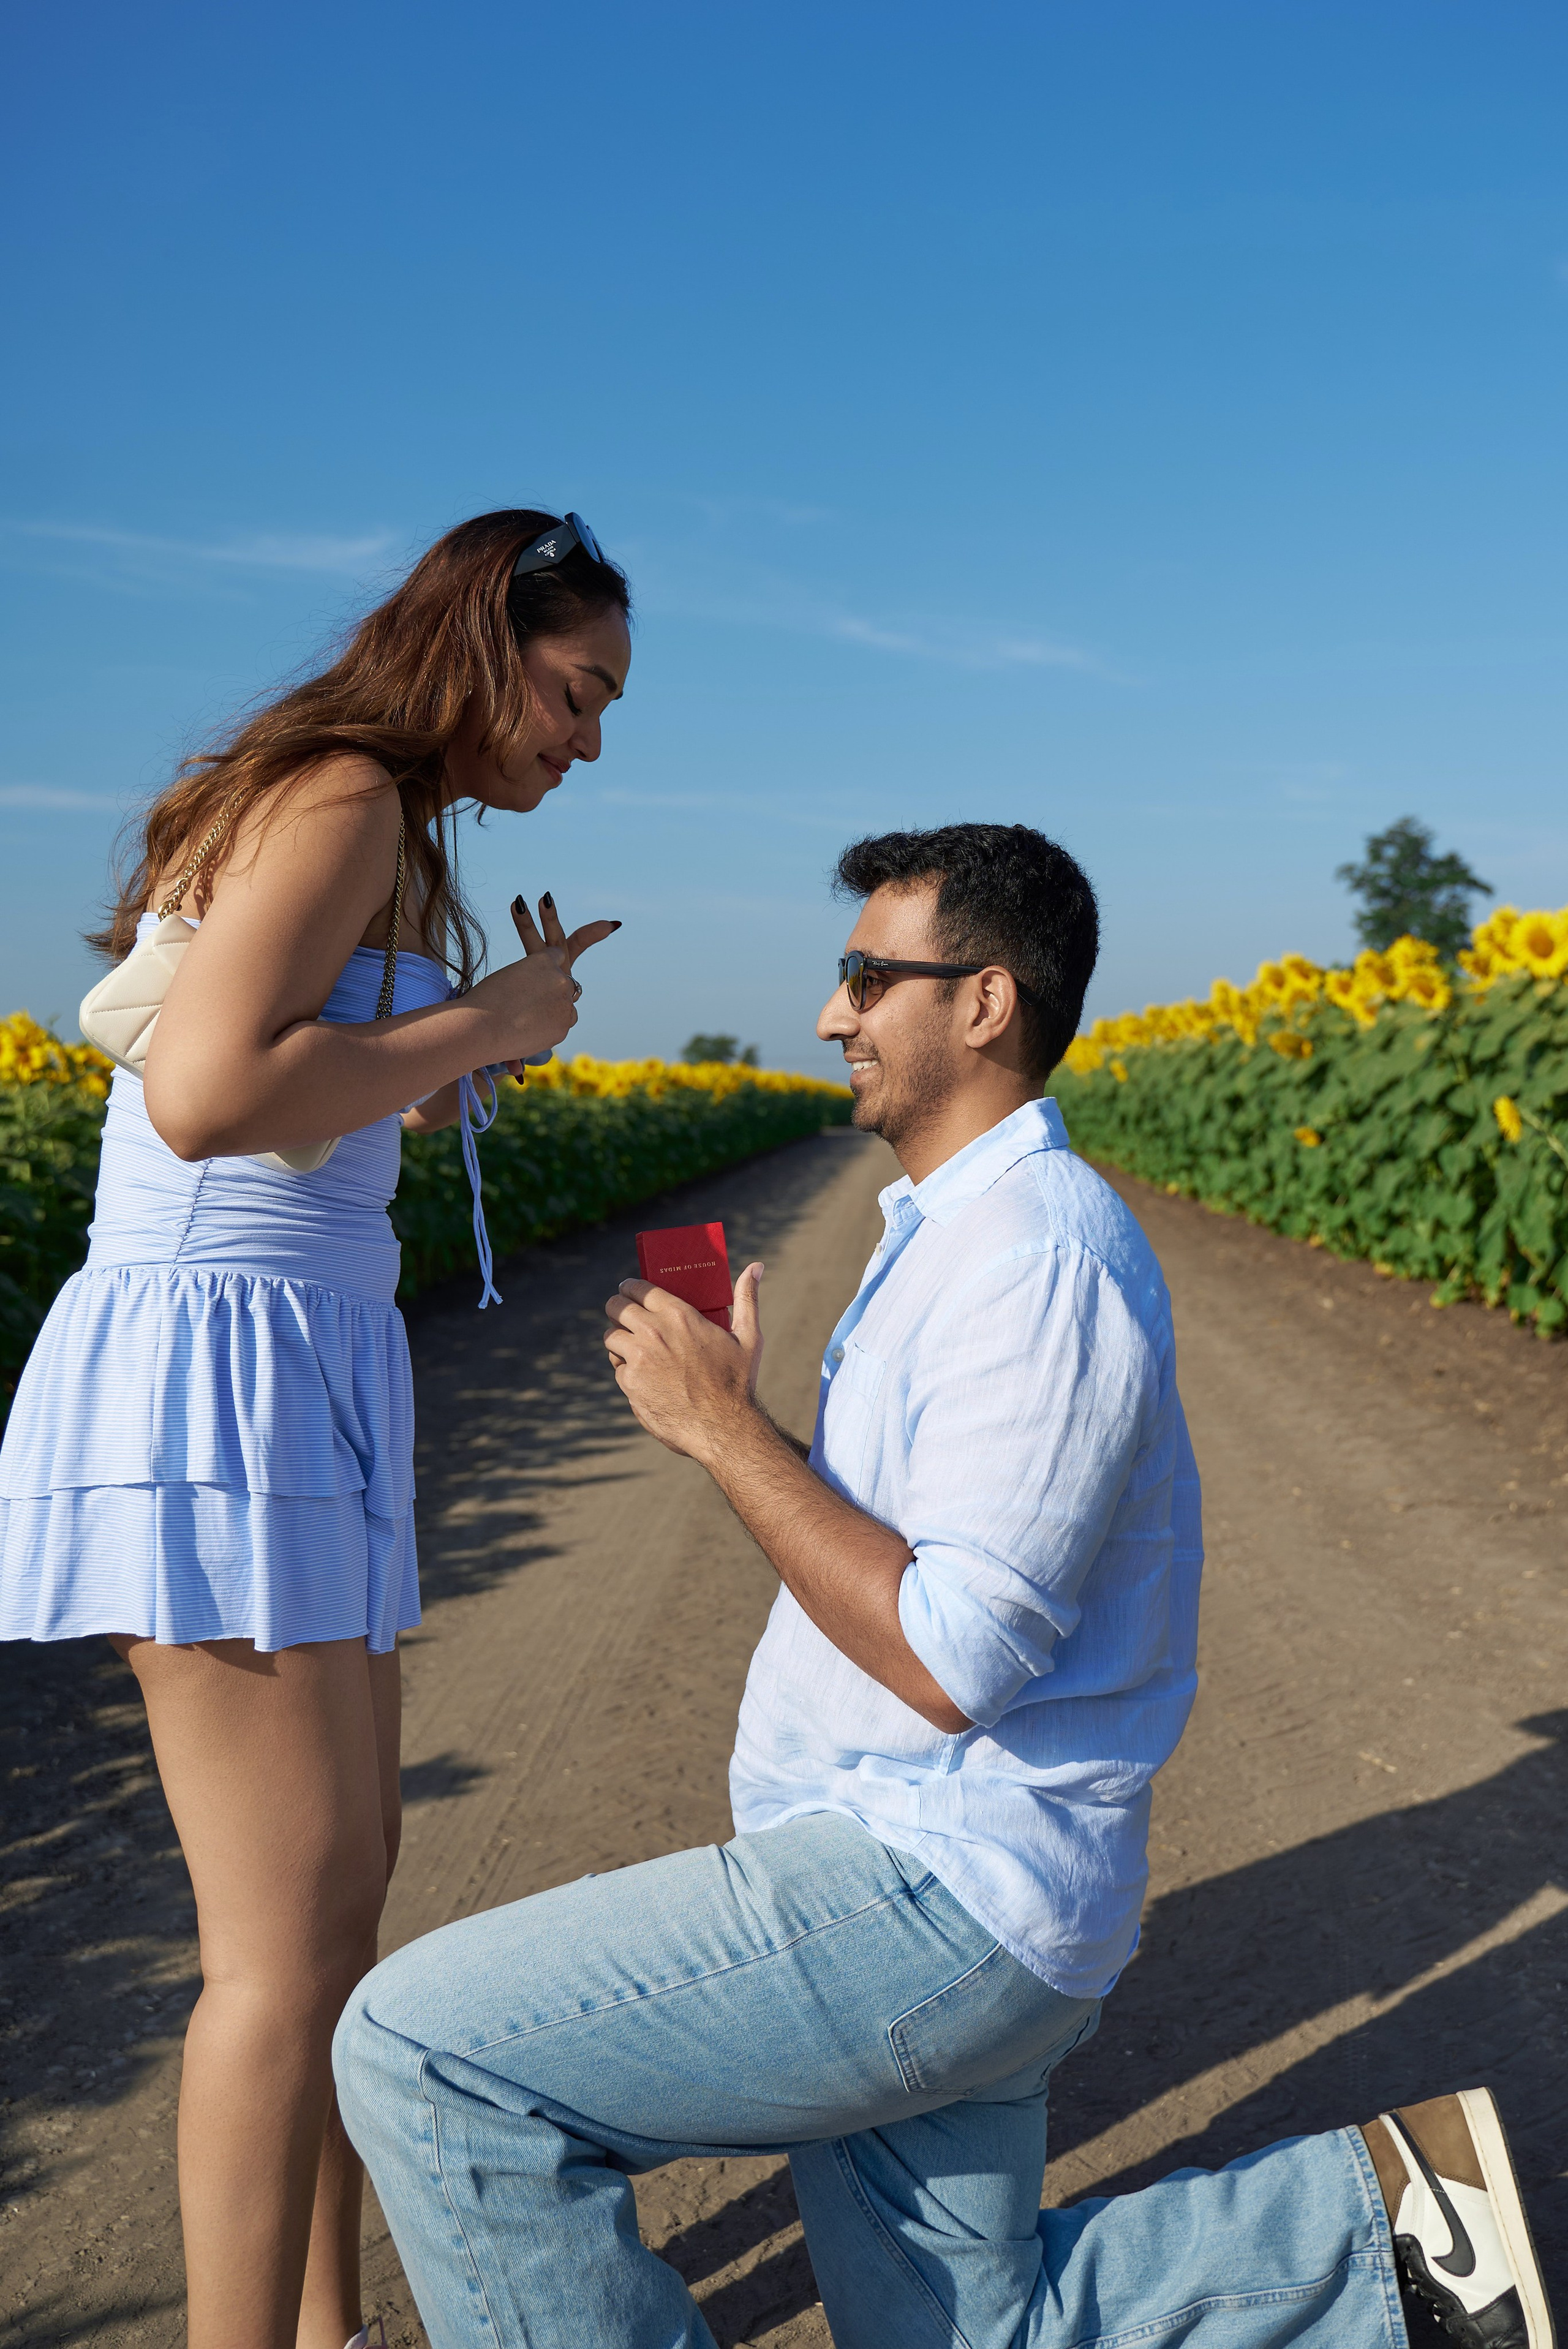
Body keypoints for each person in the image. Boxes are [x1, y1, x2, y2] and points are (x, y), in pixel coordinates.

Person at [332, 823, 1552, 2349]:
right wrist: (737, 1422)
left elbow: (947, 1655)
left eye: (864, 977)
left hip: (933, 1889)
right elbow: (909, 1572)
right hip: (943, 1875)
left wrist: (727, 1433)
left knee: (426, 2053)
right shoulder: (958, 1235)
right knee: (966, 2332)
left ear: (981, 1003)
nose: (832, 1014)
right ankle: (1384, 2229)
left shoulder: (1035, 1256)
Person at [0, 510, 632, 2349]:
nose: (586, 741)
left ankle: (323, 2328)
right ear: (486, 640)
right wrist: (480, 1021)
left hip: (299, 1359)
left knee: (340, 1937)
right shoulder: (347, 797)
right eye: (579, 691)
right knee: (280, 1964)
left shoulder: (377, 823)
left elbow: (296, 1094)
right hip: (224, 1368)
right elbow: (203, 1097)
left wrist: (463, 1052)